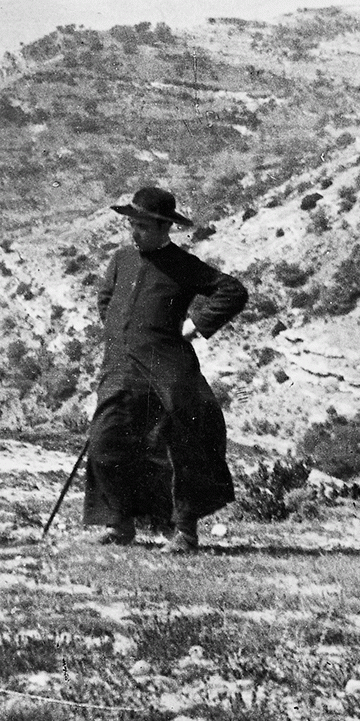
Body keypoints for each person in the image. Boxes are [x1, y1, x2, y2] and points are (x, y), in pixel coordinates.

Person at [82, 186, 249, 554]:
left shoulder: (183, 264)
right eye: (132, 224)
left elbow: (232, 291)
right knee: (105, 442)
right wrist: (119, 334)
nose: (134, 232)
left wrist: (197, 326)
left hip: (166, 371)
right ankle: (120, 523)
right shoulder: (122, 259)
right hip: (121, 368)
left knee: (180, 450)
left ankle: (184, 533)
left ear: (162, 228)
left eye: (141, 226)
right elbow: (106, 298)